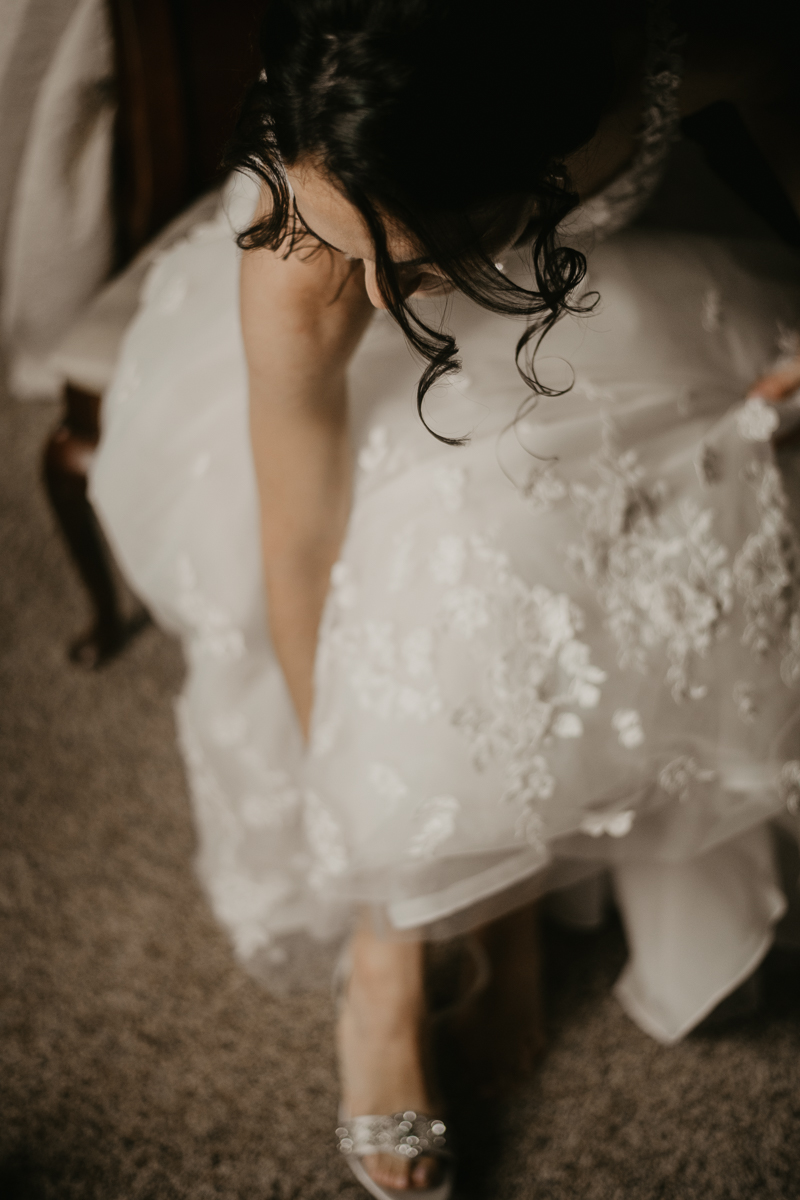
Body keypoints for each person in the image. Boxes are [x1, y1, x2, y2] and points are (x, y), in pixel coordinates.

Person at [91, 1, 800, 1195]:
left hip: (591, 316)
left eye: (404, 256)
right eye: (343, 243)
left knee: (694, 484)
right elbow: (297, 540)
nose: (370, 287)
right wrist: (360, 810)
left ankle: (516, 892)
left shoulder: (661, 53)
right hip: (359, 424)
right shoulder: (300, 259)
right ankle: (389, 970)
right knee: (453, 557)